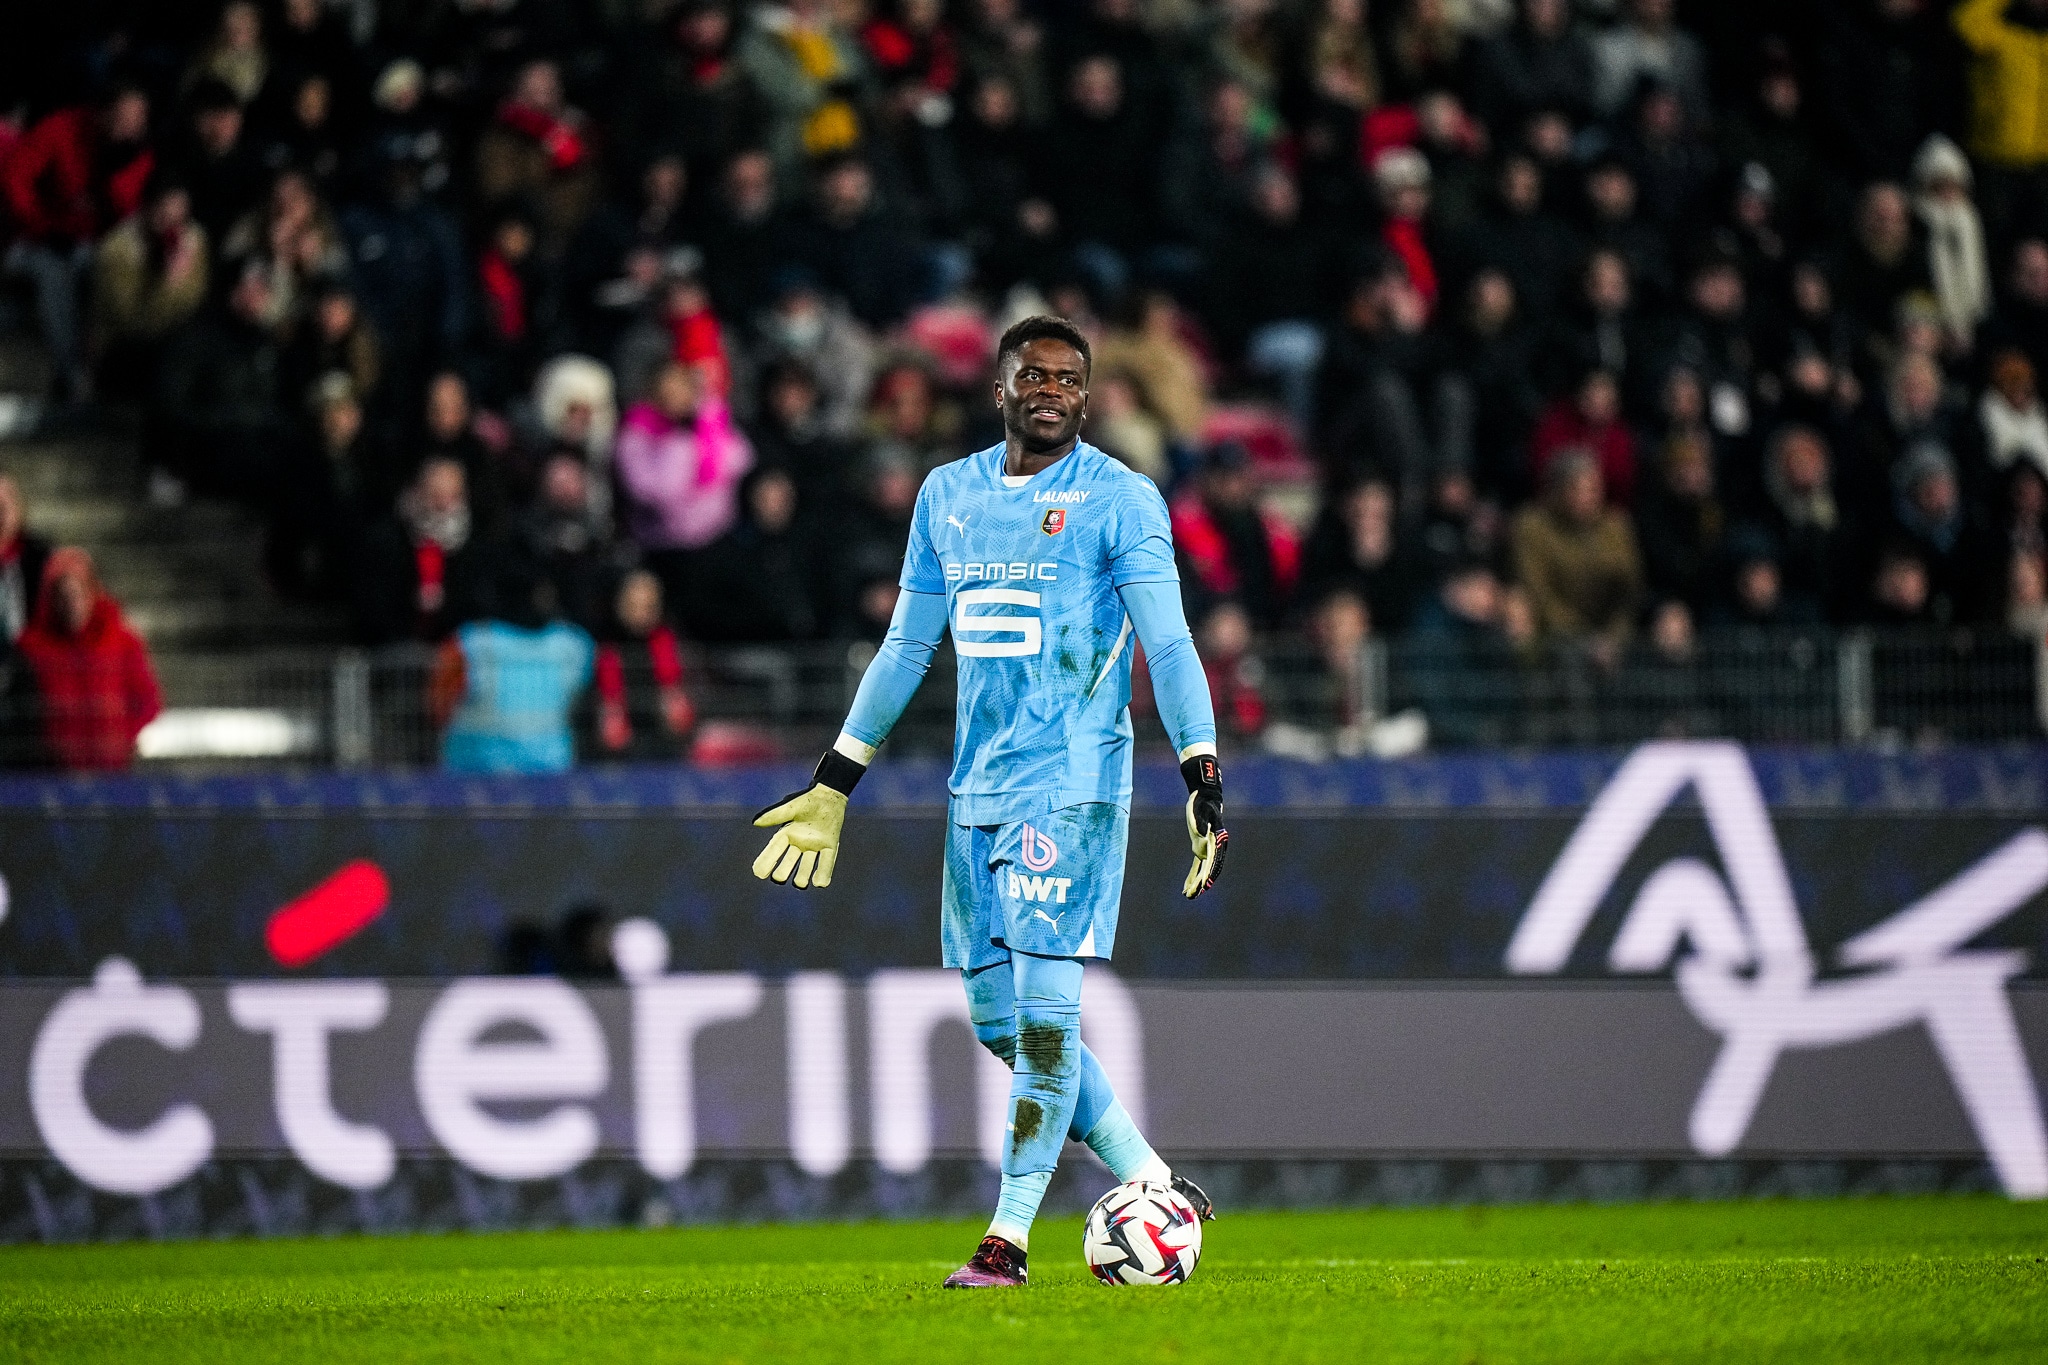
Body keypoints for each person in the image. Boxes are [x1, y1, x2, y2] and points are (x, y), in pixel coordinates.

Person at [749, 315, 1223, 1289]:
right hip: (978, 792)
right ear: (999, 387)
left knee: (1046, 1024)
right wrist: (835, 780)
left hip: (1073, 786)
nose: (1049, 390)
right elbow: (906, 649)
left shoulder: (1119, 500)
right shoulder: (947, 496)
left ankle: (1003, 1245)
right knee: (993, 1020)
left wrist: (1200, 769)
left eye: (1066, 379)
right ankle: (1149, 1178)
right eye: (1032, 375)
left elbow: (1167, 646)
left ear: (1084, 398)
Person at [430, 557, 595, 775]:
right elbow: (578, 698)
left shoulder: (468, 642)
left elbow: (439, 705)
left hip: (473, 772)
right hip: (550, 768)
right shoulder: (572, 643)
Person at [17, 549, 161, 771]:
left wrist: (123, 737)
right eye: (63, 597)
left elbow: (147, 698)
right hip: (52, 772)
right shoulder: (31, 648)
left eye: (78, 595)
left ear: (91, 593)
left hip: (113, 770)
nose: (72, 605)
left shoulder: (122, 640)